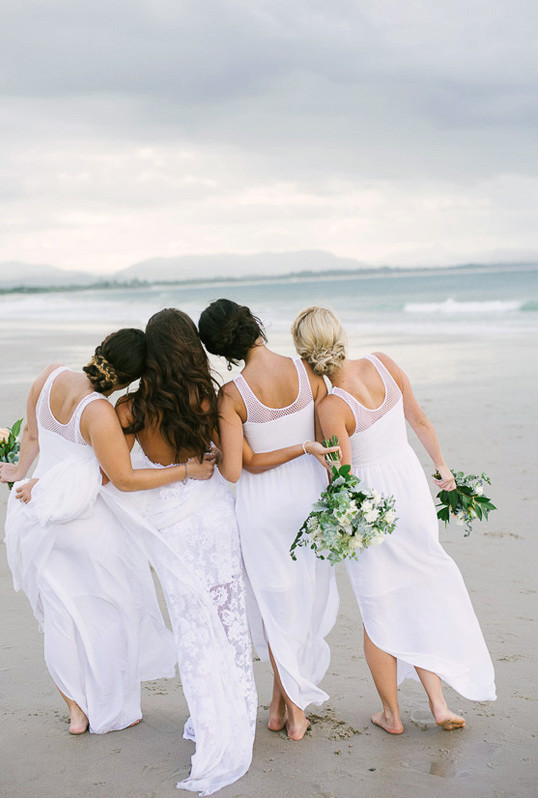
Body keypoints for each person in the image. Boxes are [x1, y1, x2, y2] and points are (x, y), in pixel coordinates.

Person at [0, 328, 214, 736]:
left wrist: (20, 473)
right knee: (112, 611)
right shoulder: (99, 411)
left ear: (101, 349)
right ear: (129, 379)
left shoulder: (49, 376)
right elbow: (123, 478)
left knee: (61, 616)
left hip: (36, 513)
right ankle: (114, 708)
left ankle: (77, 711)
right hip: (85, 521)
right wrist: (188, 469)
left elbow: (32, 434)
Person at [291, 306, 496, 734]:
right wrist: (442, 468)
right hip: (411, 492)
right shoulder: (384, 363)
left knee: (379, 606)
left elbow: (340, 477)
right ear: (341, 334)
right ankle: (439, 704)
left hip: (372, 511)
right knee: (417, 593)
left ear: (304, 355)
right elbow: (419, 419)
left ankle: (392, 715)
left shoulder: (331, 406)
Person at [113, 309, 257, 795]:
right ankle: (236, 713)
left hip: (171, 526)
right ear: (191, 348)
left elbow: (120, 477)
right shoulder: (207, 396)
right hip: (213, 515)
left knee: (192, 624)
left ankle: (210, 719)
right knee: (227, 615)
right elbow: (225, 455)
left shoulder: (131, 410)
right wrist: (206, 461)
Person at [198, 298, 340, 741]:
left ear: (222, 349)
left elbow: (241, 468)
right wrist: (304, 450)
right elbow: (326, 444)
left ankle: (291, 712)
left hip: (262, 508)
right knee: (301, 605)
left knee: (277, 608)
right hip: (308, 501)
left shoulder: (232, 394)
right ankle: (280, 707)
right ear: (253, 324)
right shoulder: (308, 373)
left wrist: (218, 454)